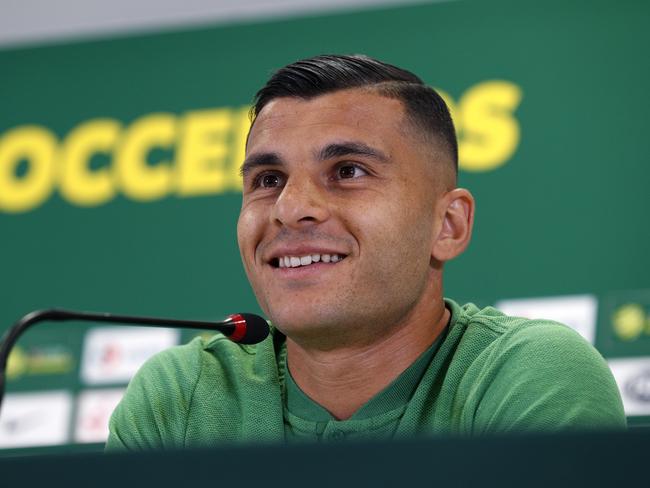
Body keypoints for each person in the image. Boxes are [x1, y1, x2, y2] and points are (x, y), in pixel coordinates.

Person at [106, 54, 625, 449]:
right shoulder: (180, 397)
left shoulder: (530, 375)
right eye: (268, 179)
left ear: (448, 225)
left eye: (348, 171)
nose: (291, 209)